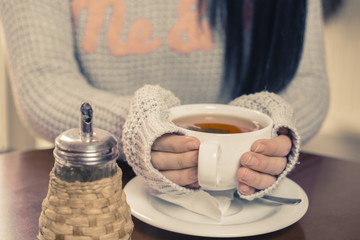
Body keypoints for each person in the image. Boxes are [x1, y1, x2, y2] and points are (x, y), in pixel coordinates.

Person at [0, 0, 328, 217]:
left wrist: (265, 126)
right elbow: (44, 83)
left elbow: (308, 81)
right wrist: (134, 127)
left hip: (246, 201)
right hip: (101, 198)